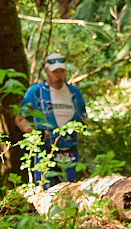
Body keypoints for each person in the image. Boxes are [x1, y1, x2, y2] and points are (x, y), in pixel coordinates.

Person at [21, 53, 87, 185]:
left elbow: (83, 117)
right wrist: (32, 132)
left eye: (61, 71)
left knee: (68, 189)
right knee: (44, 189)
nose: (58, 75)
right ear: (46, 71)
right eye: (54, 72)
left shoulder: (75, 92)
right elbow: (19, 117)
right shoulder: (35, 92)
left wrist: (79, 127)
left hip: (69, 151)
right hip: (45, 152)